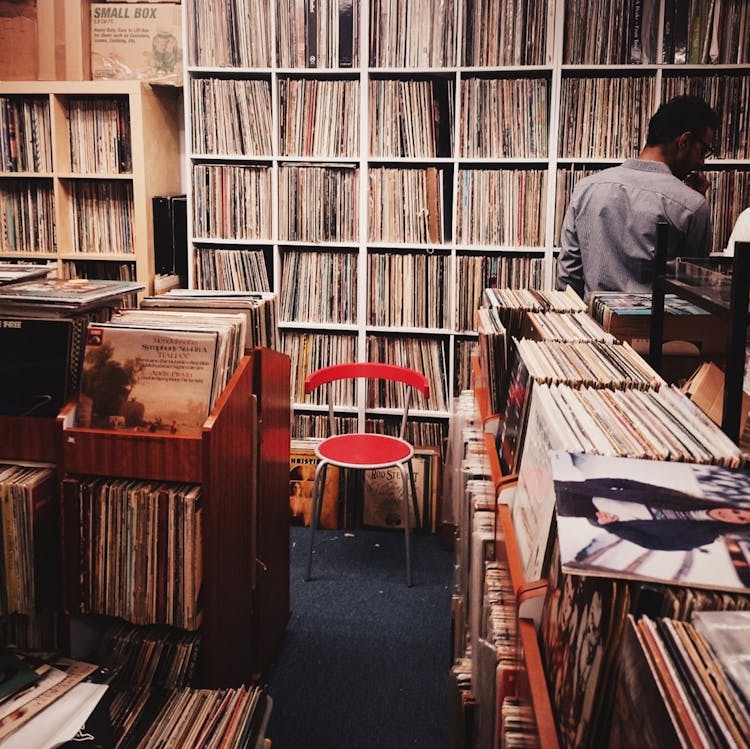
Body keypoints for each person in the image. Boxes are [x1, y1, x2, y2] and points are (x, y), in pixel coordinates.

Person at [557, 95, 721, 302]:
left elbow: (568, 279)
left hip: (592, 328)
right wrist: (695, 200)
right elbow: (692, 291)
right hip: (659, 333)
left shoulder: (585, 188)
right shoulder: (693, 205)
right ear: (685, 141)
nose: (701, 162)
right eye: (703, 150)